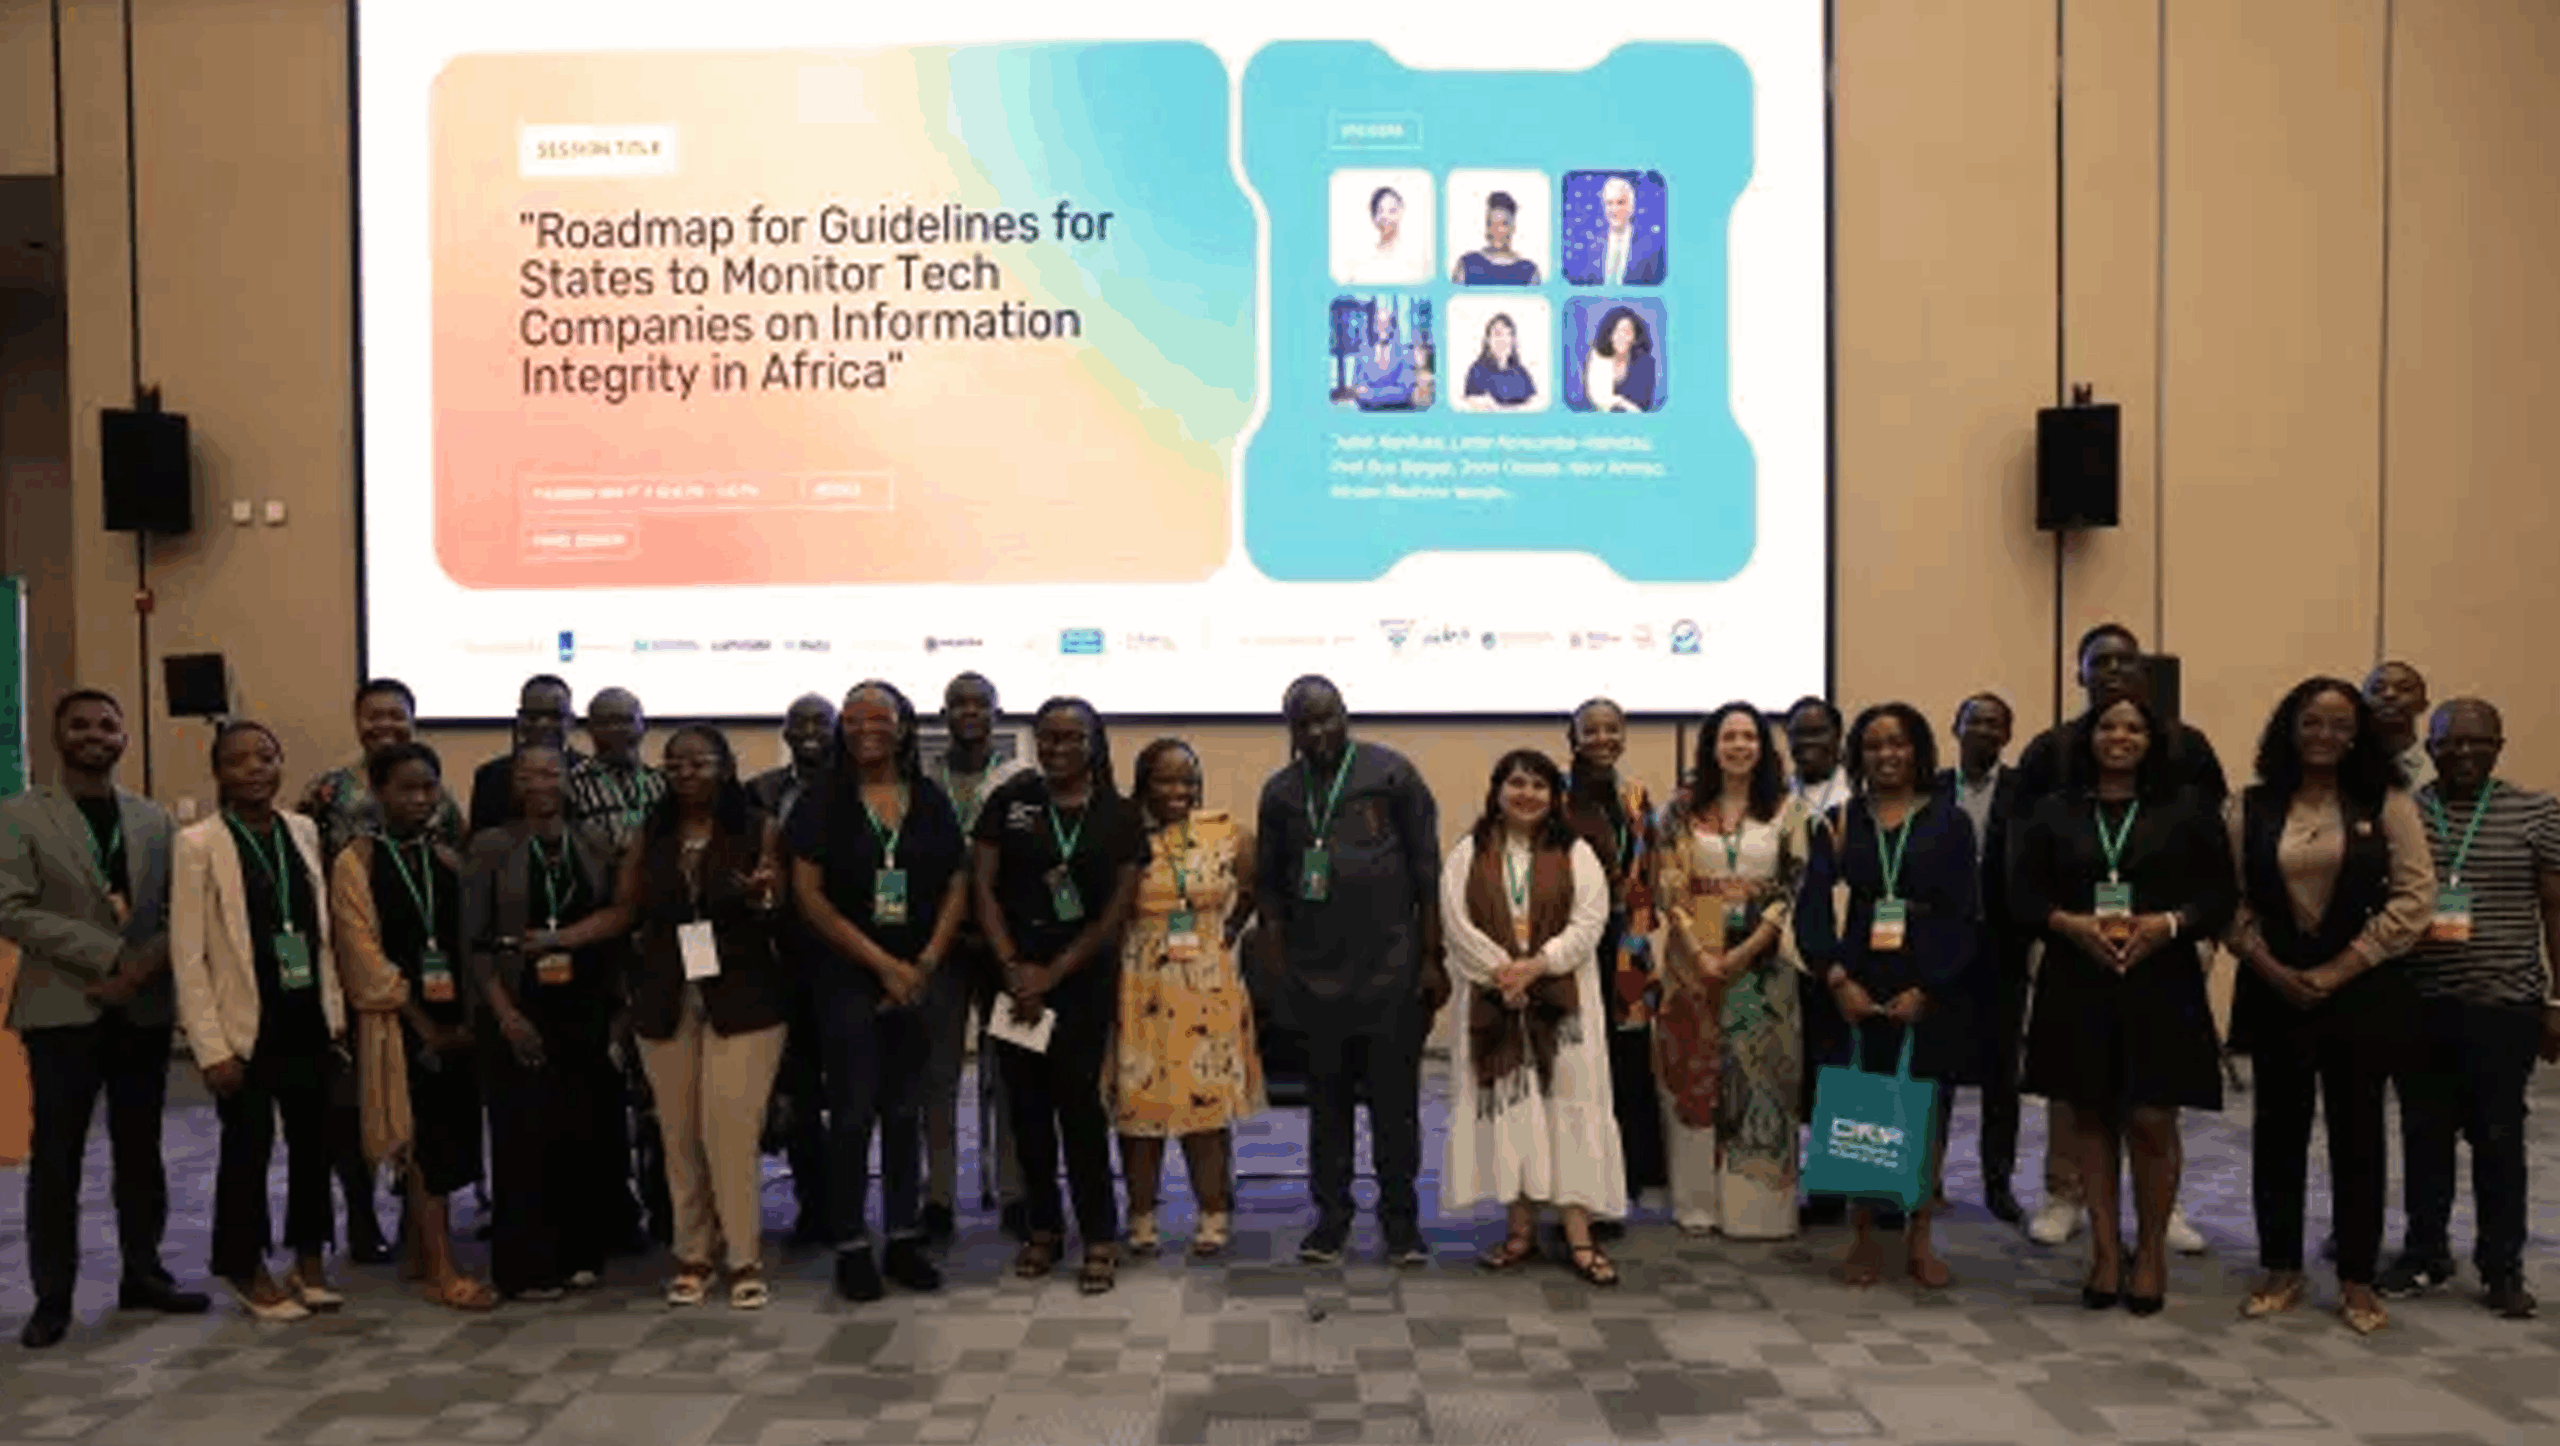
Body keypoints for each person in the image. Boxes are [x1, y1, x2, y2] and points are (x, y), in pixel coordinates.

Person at [2010, 695, 2236, 1317]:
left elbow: (2219, 893)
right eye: (2108, 726)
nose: (2120, 737)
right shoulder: (2054, 810)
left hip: (2160, 979)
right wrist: (2070, 924)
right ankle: (2106, 1253)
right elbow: (2020, 893)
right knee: (2089, 1116)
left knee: (2152, 1117)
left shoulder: (2185, 807)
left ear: (2152, 739)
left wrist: (2168, 924)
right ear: (2088, 737)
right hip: (2076, 977)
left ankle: (2152, 1253)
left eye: (2134, 727)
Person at [551, 725, 788, 1309]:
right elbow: (625, 911)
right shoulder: (649, 834)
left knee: (730, 1132)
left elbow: (779, 902)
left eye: (698, 763)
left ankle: (743, 1257)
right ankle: (693, 1254)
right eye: (674, 765)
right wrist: (559, 938)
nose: (685, 774)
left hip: (747, 999)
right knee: (679, 1136)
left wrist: (762, 893)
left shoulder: (759, 827)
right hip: (664, 998)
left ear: (725, 767)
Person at [2225, 676, 2434, 1335]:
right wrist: (2269, 967)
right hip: (2275, 989)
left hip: (2361, 993)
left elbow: (2415, 897)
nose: (2325, 735)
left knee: (2359, 1136)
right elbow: (2228, 900)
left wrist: (2341, 968)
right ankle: (2280, 1267)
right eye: (2312, 721)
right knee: (2277, 1134)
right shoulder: (2249, 805)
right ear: (2290, 728)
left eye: (2341, 724)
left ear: (2358, 734)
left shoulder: (2388, 802)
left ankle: (2357, 1277)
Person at [2, 689, 209, 1348]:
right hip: (63, 1007)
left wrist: (139, 971)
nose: (95, 734)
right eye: (81, 725)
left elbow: (180, 908)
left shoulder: (152, 819)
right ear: (58, 735)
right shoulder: (19, 816)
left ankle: (143, 1274)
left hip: (140, 1008)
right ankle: (52, 1298)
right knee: (57, 1157)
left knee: (140, 1151)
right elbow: (11, 908)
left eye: (107, 725)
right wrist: (108, 955)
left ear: (123, 737)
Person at [1255, 676, 1448, 1267]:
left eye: (1327, 718)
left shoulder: (1393, 774)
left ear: (1346, 714)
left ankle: (1401, 1223)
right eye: (1304, 723)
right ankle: (1331, 1220)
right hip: (1315, 978)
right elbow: (1269, 888)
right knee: (1327, 1108)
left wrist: (1432, 959)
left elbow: (1427, 873)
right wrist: (1277, 968)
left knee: (1396, 1108)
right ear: (1290, 730)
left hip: (1391, 971)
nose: (1318, 732)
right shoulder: (1280, 793)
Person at [2376, 698, 2556, 1319]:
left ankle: (2502, 1267)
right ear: (2429, 748)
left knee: (2498, 1137)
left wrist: (2558, 1000)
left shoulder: (2537, 812)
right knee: (2423, 1134)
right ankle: (2425, 1252)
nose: (2463, 752)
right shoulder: (2405, 810)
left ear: (2500, 746)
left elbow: (2555, 909)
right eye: (2449, 741)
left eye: (2478, 741)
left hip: (2504, 1005)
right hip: (2420, 1003)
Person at [1794, 703, 1981, 1291]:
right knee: (1860, 1109)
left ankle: (1920, 1238)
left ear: (1918, 749)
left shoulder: (1950, 823)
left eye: (1897, 743)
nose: (1886, 755)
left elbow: (1965, 913)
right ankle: (1864, 1238)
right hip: (1857, 981)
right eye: (1873, 745)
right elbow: (1812, 909)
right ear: (1858, 755)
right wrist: (1836, 979)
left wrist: (1931, 987)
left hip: (1928, 982)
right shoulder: (1838, 822)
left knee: (1926, 1112)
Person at [788, 683, 964, 1302]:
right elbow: (808, 895)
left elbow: (957, 881)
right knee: (853, 1112)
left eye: (879, 717)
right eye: (854, 718)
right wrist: (882, 965)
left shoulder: (928, 797)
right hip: (845, 975)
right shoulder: (820, 801)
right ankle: (851, 1245)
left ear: (903, 726)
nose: (867, 728)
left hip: (916, 973)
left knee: (904, 1110)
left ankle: (904, 1238)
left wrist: (925, 963)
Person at [170, 720, 347, 1321]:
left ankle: (309, 1257)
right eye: (238, 760)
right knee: (247, 1149)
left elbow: (319, 932)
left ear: (280, 763)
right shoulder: (197, 844)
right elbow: (188, 955)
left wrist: (333, 1010)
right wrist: (210, 1046)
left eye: (265, 757)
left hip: (306, 1015)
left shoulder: (302, 830)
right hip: (244, 1025)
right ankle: (244, 1265)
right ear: (218, 772)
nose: (254, 769)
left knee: (313, 1145)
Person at [974, 698, 1147, 1293]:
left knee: (1078, 1108)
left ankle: (1099, 1234)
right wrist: (1013, 967)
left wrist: (1052, 974)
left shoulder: (1119, 815)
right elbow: (983, 886)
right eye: (1048, 737)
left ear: (1095, 742)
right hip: (1013, 979)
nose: (1058, 748)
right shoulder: (1011, 801)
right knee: (1026, 1110)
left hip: (1081, 980)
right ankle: (1043, 1228)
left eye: (1072, 737)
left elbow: (1113, 913)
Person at [1442, 750, 1622, 1285]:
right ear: (1497, 791)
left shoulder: (1577, 853)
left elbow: (1589, 923)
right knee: (1513, 1111)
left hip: (1565, 1008)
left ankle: (1580, 1236)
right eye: (1517, 783)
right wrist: (1504, 973)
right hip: (1495, 1002)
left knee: (1571, 1110)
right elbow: (1456, 922)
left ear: (1554, 795)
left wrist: (1538, 966)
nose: (1527, 794)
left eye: (1539, 785)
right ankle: (1519, 1231)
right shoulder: (1469, 852)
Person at [327, 742, 493, 1311]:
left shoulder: (446, 858)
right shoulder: (356, 863)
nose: (421, 799)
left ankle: (424, 1254)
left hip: (455, 1024)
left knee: (448, 1138)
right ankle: (442, 1269)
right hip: (397, 1025)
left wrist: (465, 1022)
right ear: (378, 793)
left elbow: (468, 943)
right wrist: (425, 1026)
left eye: (429, 787)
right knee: (421, 1141)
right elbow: (362, 958)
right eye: (407, 788)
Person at [300, 677, 459, 1268]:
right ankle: (362, 1218)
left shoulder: (442, 797)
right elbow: (303, 868)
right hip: (347, 956)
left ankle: (419, 1225)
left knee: (422, 1103)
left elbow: (453, 867)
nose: (385, 725)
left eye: (397, 715)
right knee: (353, 1104)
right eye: (374, 715)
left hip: (421, 957)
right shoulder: (327, 790)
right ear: (356, 719)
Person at [461, 744, 621, 1301]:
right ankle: (527, 1266)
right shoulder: (491, 845)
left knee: (580, 1131)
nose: (541, 782)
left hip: (582, 1004)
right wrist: (504, 1014)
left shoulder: (591, 840)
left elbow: (615, 914)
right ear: (514, 783)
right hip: (515, 1002)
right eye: (528, 773)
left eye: (552, 771)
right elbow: (474, 942)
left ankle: (580, 1253)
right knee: (523, 1137)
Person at [1653, 702, 1809, 1240]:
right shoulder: (1680, 809)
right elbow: (1667, 883)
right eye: (1728, 737)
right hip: (1691, 959)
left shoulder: (1789, 809)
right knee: (1693, 1076)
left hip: (1765, 962)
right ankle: (1696, 1201)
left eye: (1749, 737)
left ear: (1763, 747)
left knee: (1761, 1079)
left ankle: (1759, 1208)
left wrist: (1750, 948)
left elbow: (1794, 884)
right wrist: (1699, 953)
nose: (1739, 746)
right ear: (1712, 747)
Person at [1115, 738, 1263, 1259]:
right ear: (1143, 785)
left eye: (1188, 780)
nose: (1179, 790)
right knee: (1138, 1104)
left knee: (1206, 1108)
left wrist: (1228, 932)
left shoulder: (1226, 832)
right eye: (1166, 780)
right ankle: (1141, 1214)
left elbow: (1251, 887)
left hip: (1206, 984)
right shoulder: (1123, 834)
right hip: (1141, 982)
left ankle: (1213, 1212)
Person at [923, 671, 1034, 1242]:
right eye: (958, 704)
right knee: (937, 1075)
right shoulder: (924, 781)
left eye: (979, 704)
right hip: (942, 946)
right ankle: (939, 1196)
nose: (969, 712)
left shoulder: (1021, 780)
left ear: (997, 712)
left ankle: (1015, 1193)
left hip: (1003, 945)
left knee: (1011, 1071)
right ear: (943, 714)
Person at [1558, 699, 1662, 1225]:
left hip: (1626, 946)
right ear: (1573, 737)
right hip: (1573, 942)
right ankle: (1576, 1186)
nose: (1602, 739)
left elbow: (1649, 868)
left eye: (1612, 729)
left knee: (1628, 1062)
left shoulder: (1636, 796)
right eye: (1591, 730)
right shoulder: (1556, 795)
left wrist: (1641, 938)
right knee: (1577, 1062)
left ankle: (1625, 1180)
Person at [750, 692, 841, 1246]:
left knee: (852, 1092)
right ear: (784, 732)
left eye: (821, 723)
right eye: (799, 722)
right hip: (780, 959)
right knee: (798, 1092)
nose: (810, 731)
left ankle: (850, 1204)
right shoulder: (761, 792)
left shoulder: (856, 790)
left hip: (845, 955)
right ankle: (816, 1206)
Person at [1937, 693, 2029, 1225]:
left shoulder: (2024, 791)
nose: (1985, 731)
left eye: (1996, 724)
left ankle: (1998, 1183)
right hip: (1940, 949)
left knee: (2001, 1076)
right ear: (1956, 727)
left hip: (2002, 949)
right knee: (1936, 1072)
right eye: (1975, 721)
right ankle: (1928, 1178)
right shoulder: (1931, 788)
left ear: (2008, 735)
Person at [466, 675, 580, 833]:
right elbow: (479, 840)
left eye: (554, 716)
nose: (543, 723)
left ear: (571, 721)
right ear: (520, 720)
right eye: (532, 716)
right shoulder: (490, 776)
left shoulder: (591, 772)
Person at [566, 686, 665, 854]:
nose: (616, 729)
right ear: (589, 729)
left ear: (644, 726)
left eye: (626, 720)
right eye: (605, 722)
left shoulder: (662, 783)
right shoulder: (571, 785)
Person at [1572, 174, 1664, 286]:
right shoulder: (1593, 246)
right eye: (1609, 203)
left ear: (1631, 206)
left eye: (1620, 203)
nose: (1614, 210)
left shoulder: (1651, 247)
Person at [2364, 661, 2432, 792]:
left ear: (2423, 704)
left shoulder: (2438, 765)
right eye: (2377, 689)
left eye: (2405, 689)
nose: (2389, 694)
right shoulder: (2342, 765)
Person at [1451, 190, 1540, 285]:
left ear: (1513, 227)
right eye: (1491, 223)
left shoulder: (1529, 272)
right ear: (1487, 227)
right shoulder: (1466, 265)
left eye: (1503, 224)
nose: (1497, 230)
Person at [1580, 307, 1656, 413]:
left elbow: (1641, 406)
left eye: (1627, 332)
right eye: (1616, 331)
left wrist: (1618, 403)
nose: (1621, 336)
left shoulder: (1645, 363)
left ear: (1635, 337)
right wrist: (1619, 402)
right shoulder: (1598, 355)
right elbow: (1598, 398)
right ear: (1609, 335)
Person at [1351, 300, 1420, 411]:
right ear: (1374, 327)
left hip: (1398, 413)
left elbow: (1404, 393)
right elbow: (1358, 391)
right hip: (1369, 415)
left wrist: (1372, 394)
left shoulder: (1405, 354)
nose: (1383, 328)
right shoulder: (1362, 357)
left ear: (1393, 327)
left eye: (1387, 324)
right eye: (1379, 323)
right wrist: (1390, 390)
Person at [1460, 314, 1538, 411]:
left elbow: (1535, 402)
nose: (1504, 339)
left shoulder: (1521, 372)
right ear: (1488, 340)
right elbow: (1477, 406)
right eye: (1498, 334)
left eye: (1508, 334)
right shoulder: (1477, 372)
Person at [1346, 184, 1419, 285]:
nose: (1386, 217)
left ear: (1402, 210)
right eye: (1381, 212)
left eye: (1392, 211)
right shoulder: (1362, 261)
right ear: (1374, 218)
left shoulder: (1414, 258)